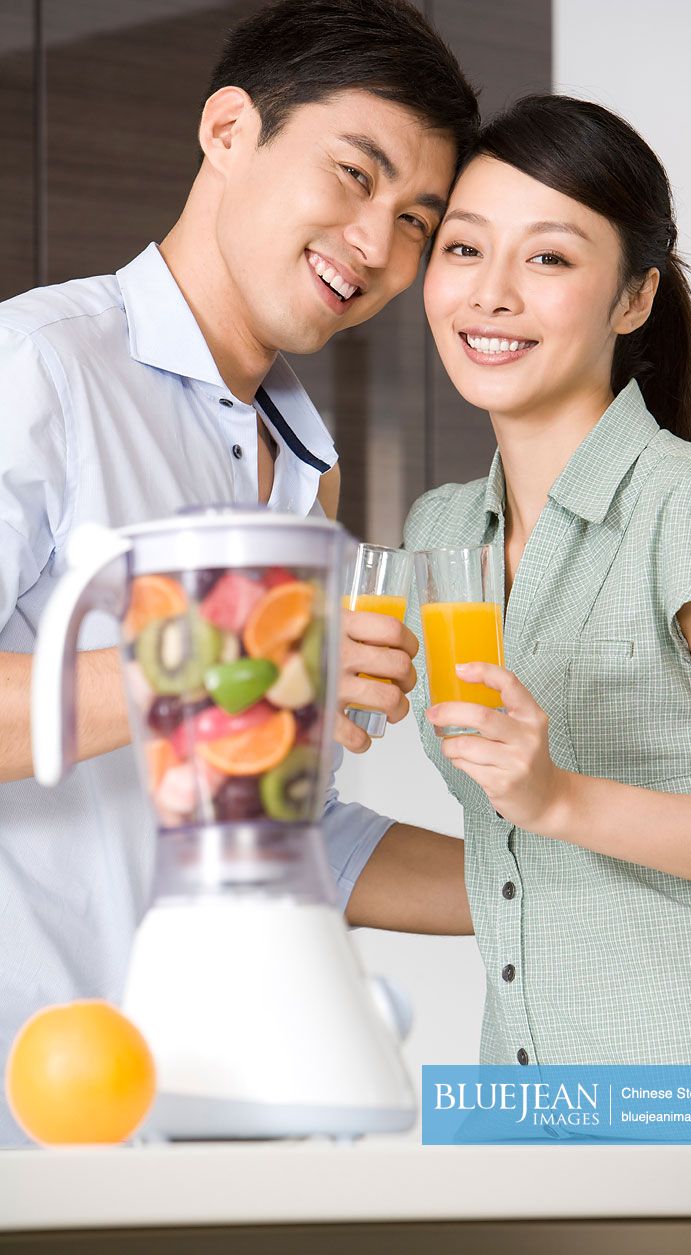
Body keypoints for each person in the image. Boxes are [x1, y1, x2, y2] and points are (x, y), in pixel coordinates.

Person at [0, 0, 477, 1143]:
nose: (375, 245)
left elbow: (283, 830)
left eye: (416, 219)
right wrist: (238, 656)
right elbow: (216, 691)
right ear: (228, 130)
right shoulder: (42, 370)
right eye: (354, 175)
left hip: (231, 1127)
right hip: (43, 1121)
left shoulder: (303, 471)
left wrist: (586, 875)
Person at [402, 94, 691, 1065]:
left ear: (633, 298)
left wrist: (559, 797)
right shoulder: (439, 532)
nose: (491, 293)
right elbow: (501, 850)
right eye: (464, 248)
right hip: (517, 1091)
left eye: (549, 257)